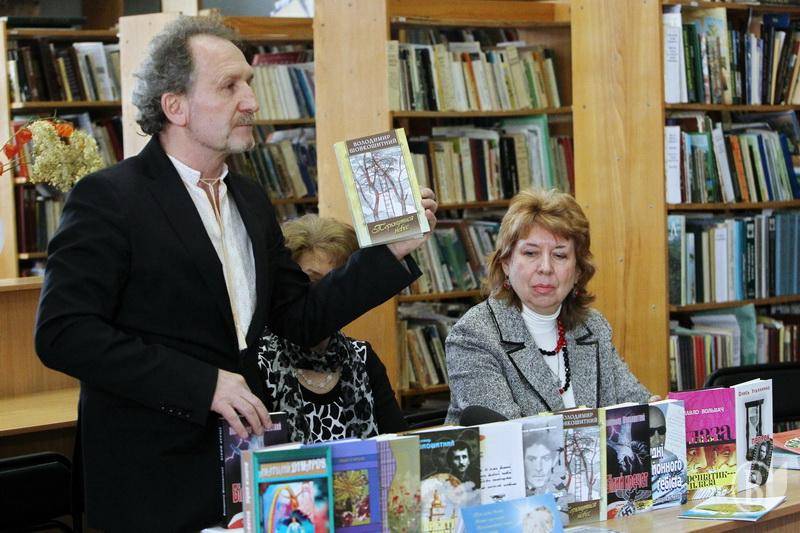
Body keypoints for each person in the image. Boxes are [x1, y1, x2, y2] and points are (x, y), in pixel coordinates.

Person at [34, 17, 436, 531]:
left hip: (243, 470)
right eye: (229, 86)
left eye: (249, 82)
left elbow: (299, 318)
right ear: (175, 106)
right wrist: (202, 385)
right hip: (151, 482)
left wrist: (387, 254)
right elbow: (64, 334)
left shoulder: (249, 198)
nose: (251, 101)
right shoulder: (109, 198)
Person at [445, 188, 655, 424]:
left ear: (578, 271)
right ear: (506, 263)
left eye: (560, 255)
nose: (545, 268)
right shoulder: (474, 335)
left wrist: (657, 413)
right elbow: (508, 436)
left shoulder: (592, 327)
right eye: (531, 253)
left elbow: (635, 404)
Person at [256, 215, 408, 442]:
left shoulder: (362, 356)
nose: (326, 296)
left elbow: (397, 442)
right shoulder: (257, 361)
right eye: (313, 281)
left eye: (338, 285)